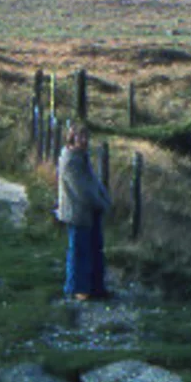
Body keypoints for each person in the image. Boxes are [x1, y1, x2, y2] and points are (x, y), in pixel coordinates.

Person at [56, 124, 111, 300]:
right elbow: (82, 191)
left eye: (86, 137)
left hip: (90, 211)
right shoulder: (70, 160)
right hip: (78, 212)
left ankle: (95, 288)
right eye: (80, 137)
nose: (84, 141)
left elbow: (94, 183)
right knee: (79, 252)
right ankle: (78, 289)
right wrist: (100, 203)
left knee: (95, 250)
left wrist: (104, 199)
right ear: (72, 138)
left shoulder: (82, 157)